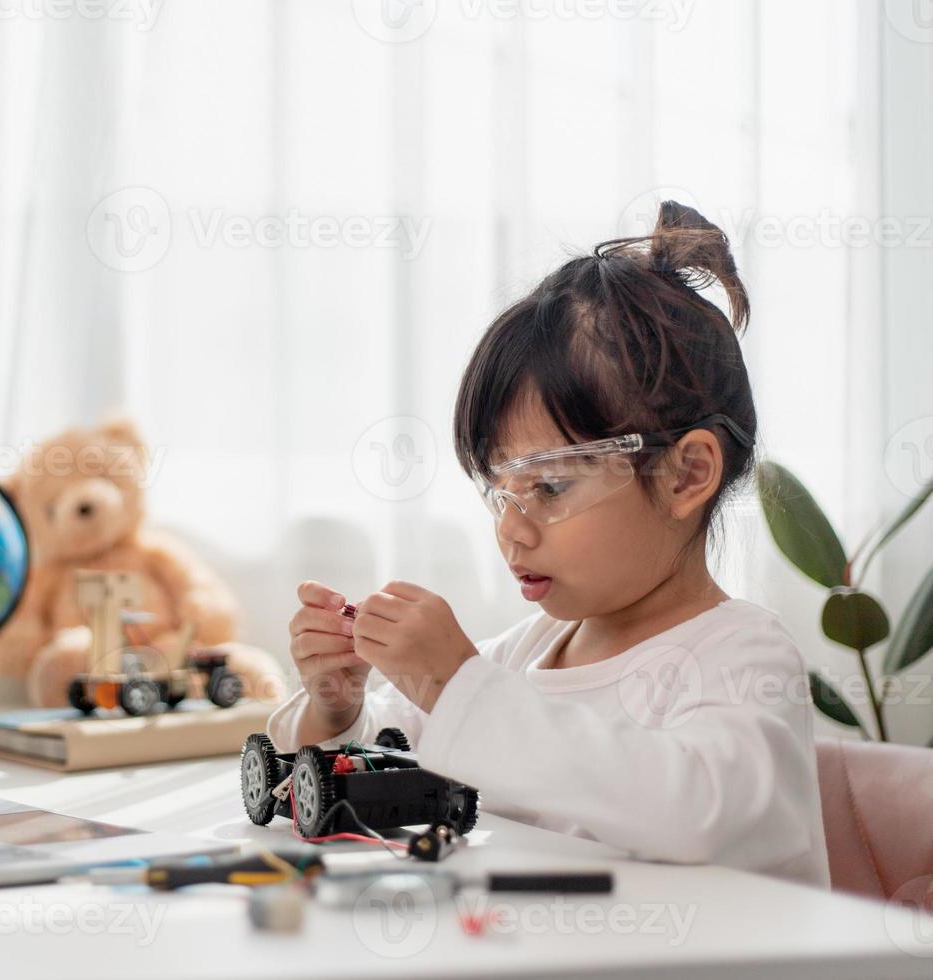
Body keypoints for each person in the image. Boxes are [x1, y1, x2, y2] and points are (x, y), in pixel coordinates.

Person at [268, 201, 831, 887]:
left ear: (686, 475)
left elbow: (698, 814)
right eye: (498, 491)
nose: (510, 527)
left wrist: (456, 685)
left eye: (552, 487)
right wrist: (335, 705)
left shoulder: (743, 656)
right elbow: (379, 759)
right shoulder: (528, 652)